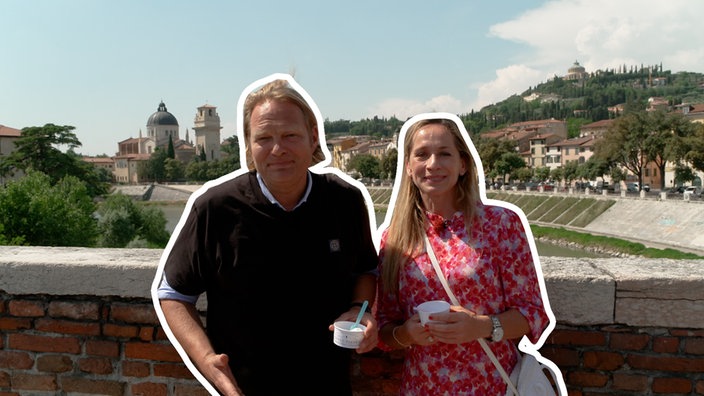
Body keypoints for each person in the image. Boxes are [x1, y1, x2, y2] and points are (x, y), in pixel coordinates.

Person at [152, 73, 379, 396]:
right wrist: (207, 361)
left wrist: (360, 310)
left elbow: (365, 269)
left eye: (290, 135)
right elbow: (173, 292)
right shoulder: (215, 209)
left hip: (328, 385)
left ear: (313, 137)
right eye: (263, 139)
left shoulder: (344, 200)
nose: (277, 149)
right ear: (249, 144)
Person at [374, 113, 557, 395]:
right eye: (421, 154)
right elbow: (385, 329)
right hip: (422, 387)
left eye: (444, 154)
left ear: (462, 165)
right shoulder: (395, 238)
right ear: (409, 167)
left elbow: (533, 315)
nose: (433, 164)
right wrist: (406, 334)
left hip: (492, 385)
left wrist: (481, 326)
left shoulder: (501, 225)